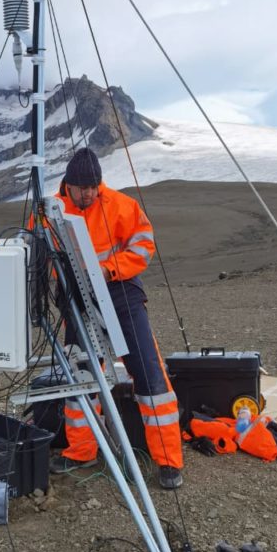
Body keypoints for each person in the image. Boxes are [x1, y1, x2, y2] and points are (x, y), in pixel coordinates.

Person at [48, 147, 183, 489]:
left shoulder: (122, 206)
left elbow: (142, 247)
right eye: (83, 188)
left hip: (121, 293)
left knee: (149, 372)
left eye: (94, 186)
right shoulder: (51, 211)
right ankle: (81, 451)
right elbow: (42, 259)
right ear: (69, 185)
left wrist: (108, 271)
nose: (89, 193)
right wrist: (65, 279)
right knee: (83, 374)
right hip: (78, 300)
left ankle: (168, 461)